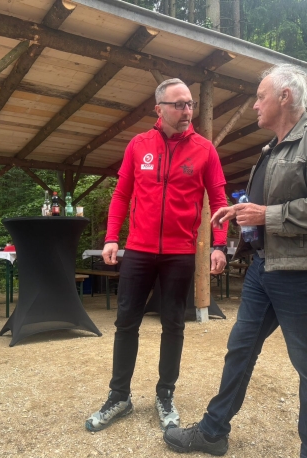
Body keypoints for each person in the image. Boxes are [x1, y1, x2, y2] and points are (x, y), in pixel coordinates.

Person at [163, 63, 307, 458]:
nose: (254, 105)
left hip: (303, 271)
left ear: (285, 96)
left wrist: (268, 215)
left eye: (260, 96)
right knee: (240, 349)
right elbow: (266, 206)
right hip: (264, 269)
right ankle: (213, 432)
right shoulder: (272, 149)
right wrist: (242, 213)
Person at [85, 78, 229, 433]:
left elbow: (219, 200)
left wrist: (219, 244)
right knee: (126, 323)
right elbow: (121, 194)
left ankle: (165, 395)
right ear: (159, 108)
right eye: (179, 104)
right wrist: (111, 238)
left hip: (180, 253)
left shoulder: (205, 149)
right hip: (138, 249)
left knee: (174, 325)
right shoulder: (138, 145)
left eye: (190, 104)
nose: (187, 110)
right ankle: (119, 397)